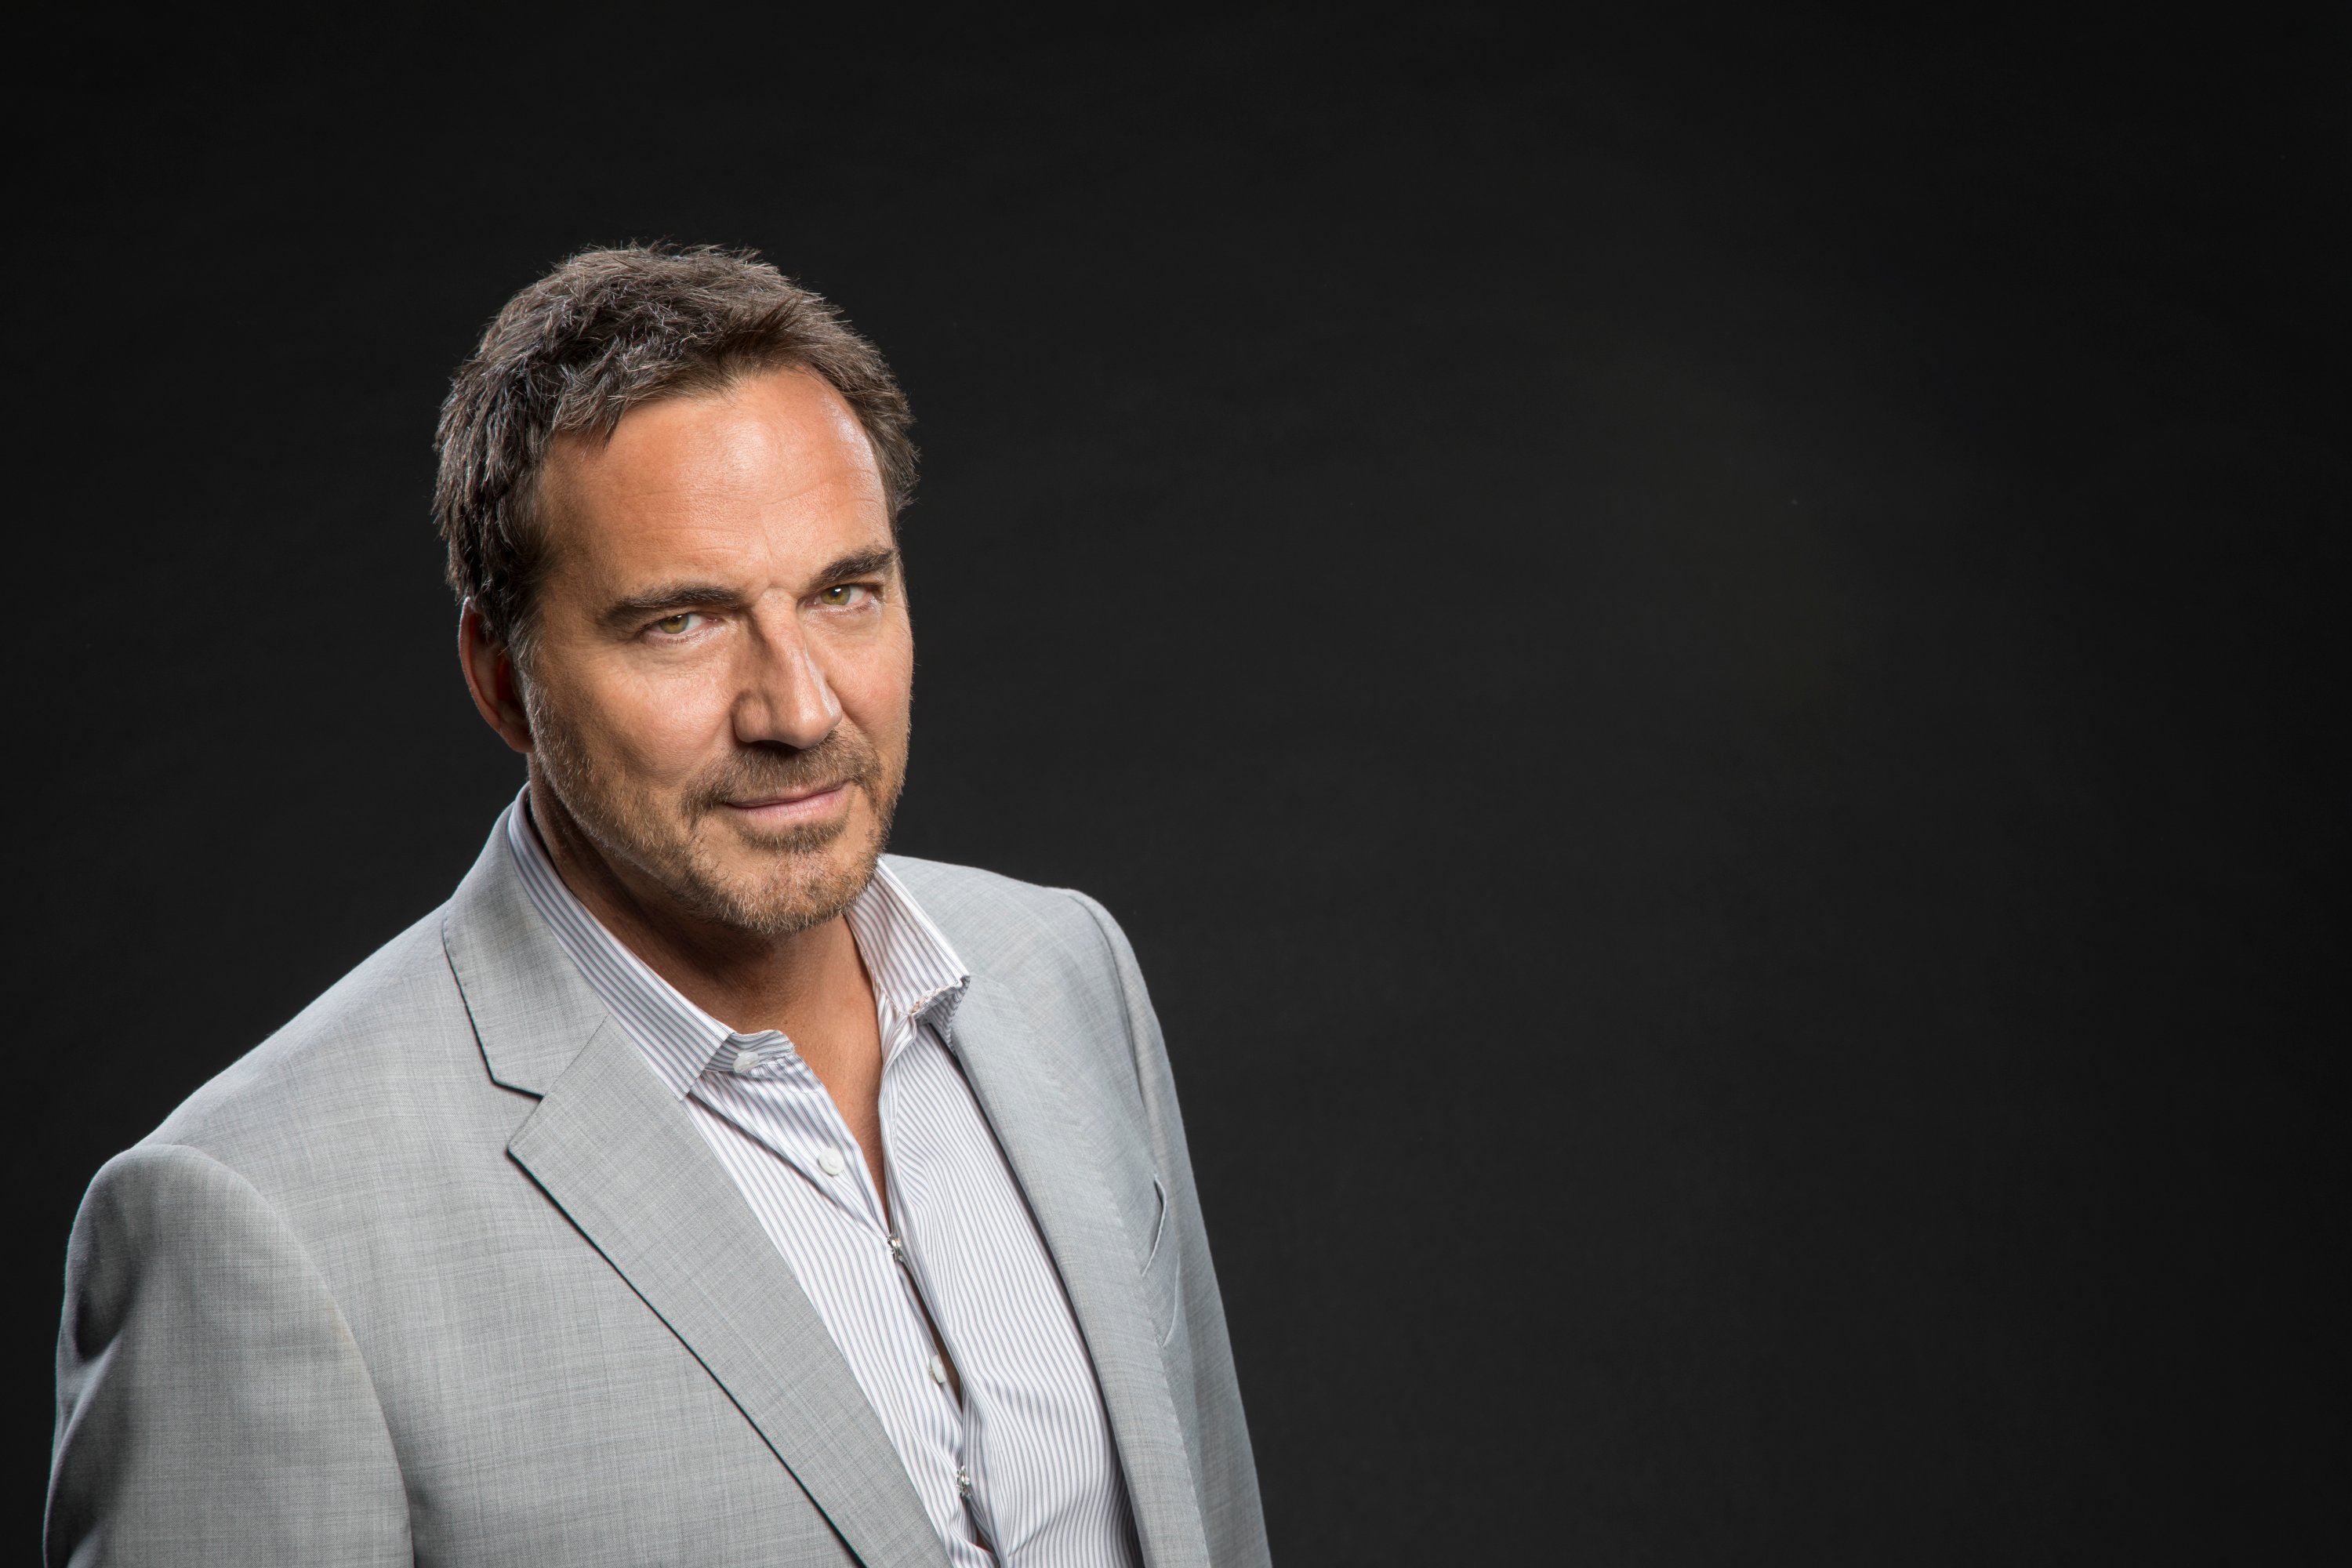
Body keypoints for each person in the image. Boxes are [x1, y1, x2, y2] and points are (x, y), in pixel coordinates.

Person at [45, 245, 1269, 1567]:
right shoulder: (253, 1220)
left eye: (845, 592)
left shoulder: (1066, 972)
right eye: (681, 623)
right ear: (502, 679)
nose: (798, 711)